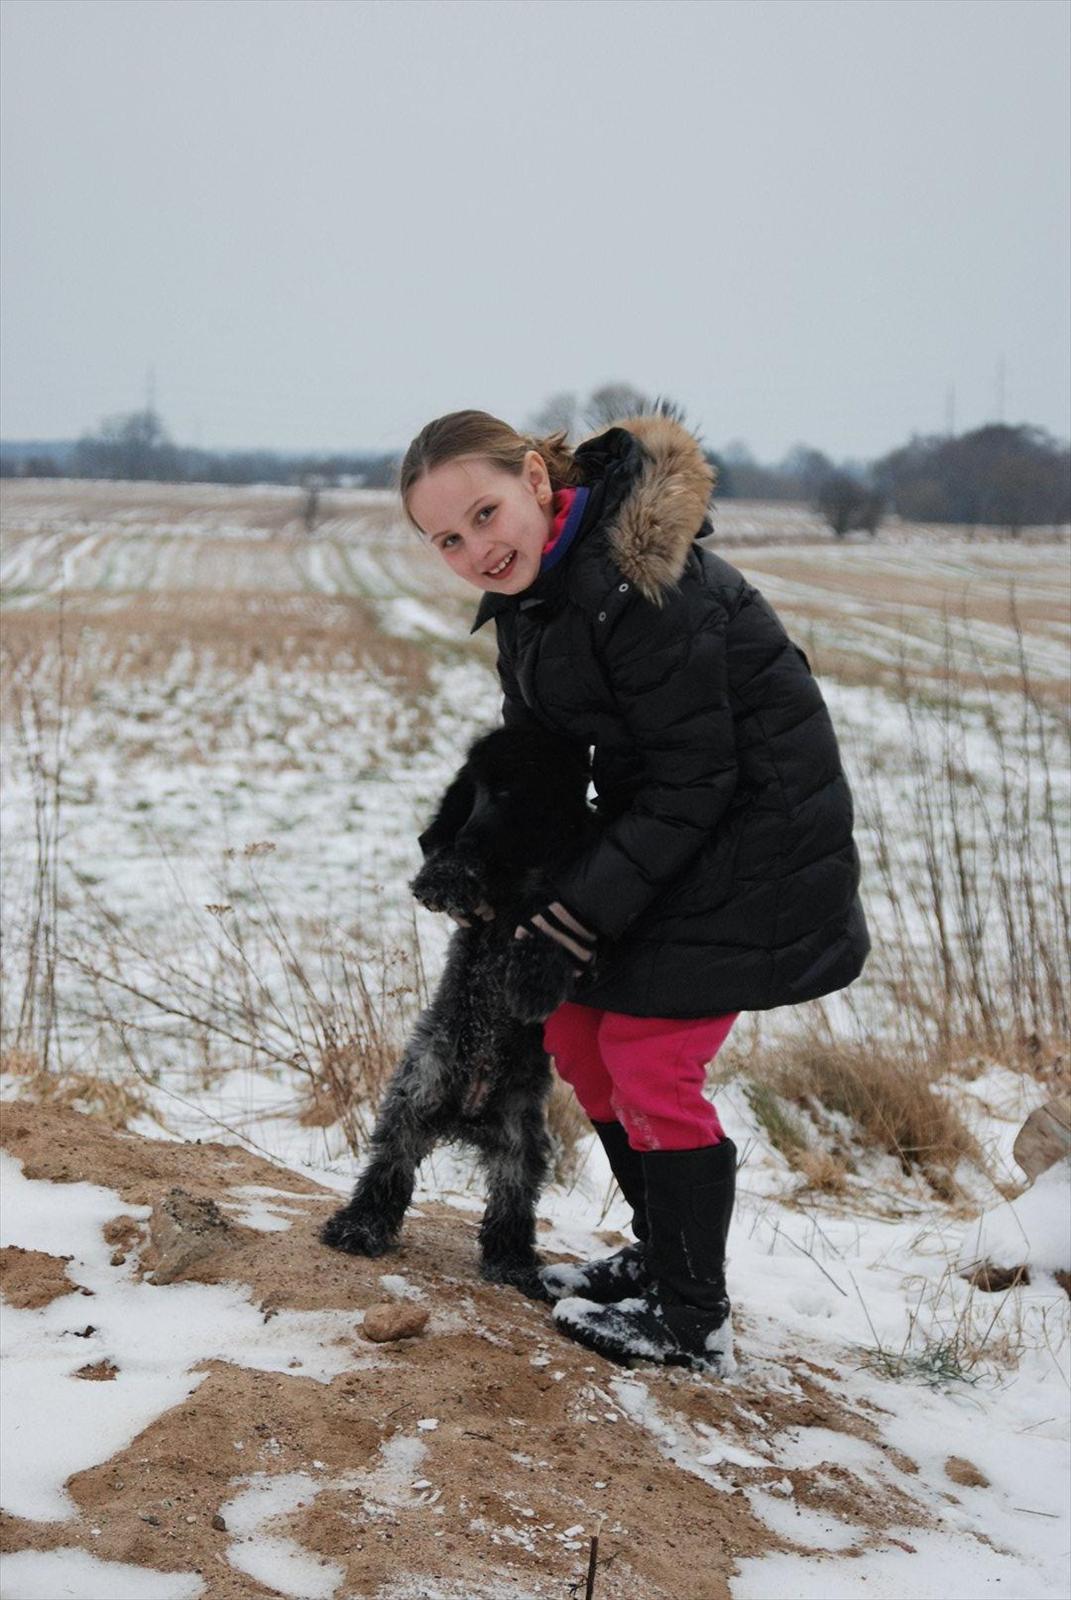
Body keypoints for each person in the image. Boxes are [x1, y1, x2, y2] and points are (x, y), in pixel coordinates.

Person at [400, 403, 869, 1374]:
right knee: (577, 1034)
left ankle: (691, 1321)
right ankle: (662, 1259)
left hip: (758, 843)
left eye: (485, 514)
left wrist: (572, 918)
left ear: (536, 481)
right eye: (447, 539)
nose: (476, 550)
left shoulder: (642, 588)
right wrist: (468, 850)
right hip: (667, 833)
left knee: (649, 1059)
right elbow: (534, 762)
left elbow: (698, 781)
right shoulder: (533, 601)